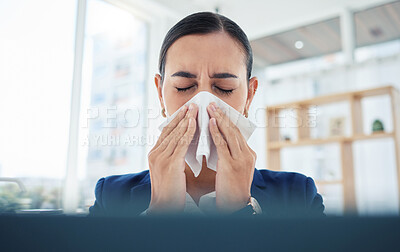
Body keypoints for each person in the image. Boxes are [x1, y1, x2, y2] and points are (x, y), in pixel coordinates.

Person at [88, 12, 325, 217]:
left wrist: (241, 212)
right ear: (160, 95)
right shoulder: (111, 196)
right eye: (183, 86)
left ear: (249, 96)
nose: (202, 104)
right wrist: (159, 215)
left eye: (224, 88)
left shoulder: (297, 195)